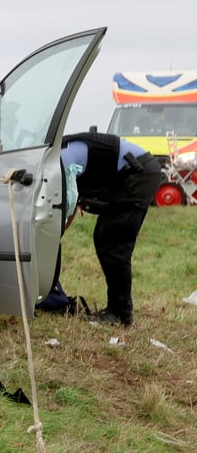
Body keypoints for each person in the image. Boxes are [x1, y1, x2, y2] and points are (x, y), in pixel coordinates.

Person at [41, 130, 161, 326]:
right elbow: (71, 206)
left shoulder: (60, 162)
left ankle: (120, 313)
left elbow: (66, 205)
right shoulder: (58, 157)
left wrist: (52, 237)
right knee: (104, 239)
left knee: (113, 245)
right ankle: (117, 309)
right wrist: (56, 237)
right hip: (132, 173)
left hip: (138, 173)